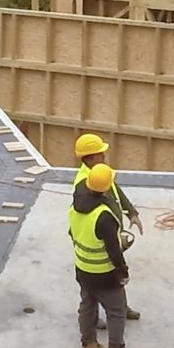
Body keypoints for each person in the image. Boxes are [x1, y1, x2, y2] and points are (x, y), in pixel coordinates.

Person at [72, 133, 142, 321]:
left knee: (110, 282)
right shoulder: (83, 185)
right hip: (100, 240)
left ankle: (120, 308)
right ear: (91, 157)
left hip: (109, 233)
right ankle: (93, 321)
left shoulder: (99, 173)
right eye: (101, 153)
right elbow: (83, 212)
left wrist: (131, 211)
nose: (104, 155)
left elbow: (115, 190)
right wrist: (110, 232)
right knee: (101, 284)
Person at [70, 163, 134, 348]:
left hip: (82, 268)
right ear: (106, 188)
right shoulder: (104, 216)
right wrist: (122, 270)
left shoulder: (75, 207)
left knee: (87, 306)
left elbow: (74, 234)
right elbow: (113, 250)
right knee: (116, 311)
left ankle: (89, 346)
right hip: (104, 273)